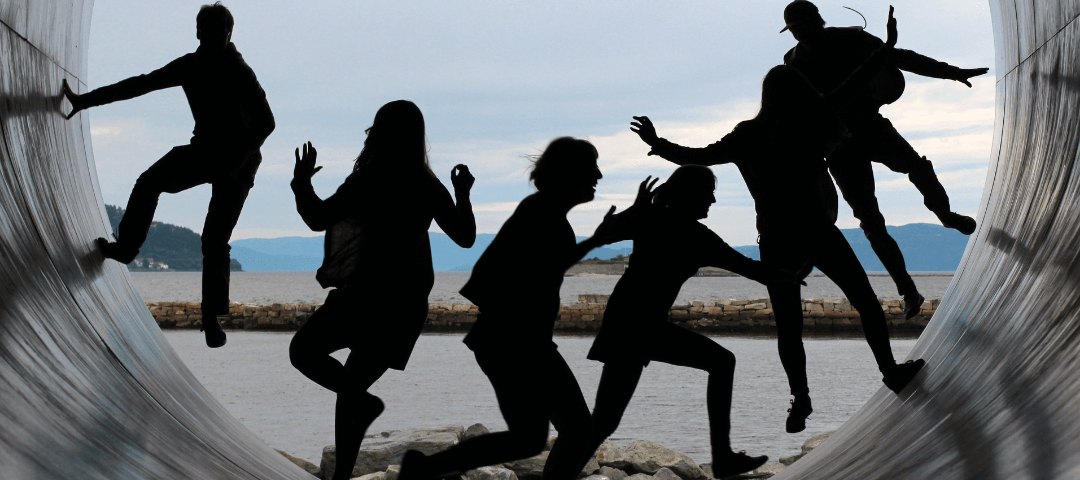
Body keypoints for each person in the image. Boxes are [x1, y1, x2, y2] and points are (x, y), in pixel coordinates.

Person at [632, 7, 924, 434]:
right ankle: (890, 371)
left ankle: (800, 399)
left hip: (775, 239)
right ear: (799, 93)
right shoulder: (810, 124)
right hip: (818, 232)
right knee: (864, 300)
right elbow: (853, 84)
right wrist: (887, 51)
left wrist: (659, 144)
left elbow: (698, 156)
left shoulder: (745, 136)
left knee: (790, 326)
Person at [398, 137, 618, 480]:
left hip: (505, 341)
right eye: (591, 169)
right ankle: (425, 467)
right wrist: (597, 240)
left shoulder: (545, 212)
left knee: (529, 438)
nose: (599, 175)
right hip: (517, 342)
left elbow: (545, 266)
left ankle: (424, 468)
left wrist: (596, 240)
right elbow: (530, 272)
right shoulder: (541, 212)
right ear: (568, 174)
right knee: (575, 429)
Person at [61, 2, 275, 348]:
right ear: (197, 32)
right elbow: (139, 85)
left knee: (214, 239)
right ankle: (126, 248)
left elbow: (267, 123)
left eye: (219, 32)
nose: (211, 37)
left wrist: (237, 158)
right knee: (149, 182)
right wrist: (86, 101)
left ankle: (211, 318)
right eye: (206, 31)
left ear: (229, 34)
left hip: (241, 162)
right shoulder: (190, 66)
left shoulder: (240, 71)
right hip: (204, 151)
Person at [289, 100, 476, 480]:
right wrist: (462, 193)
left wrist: (302, 183)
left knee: (304, 352)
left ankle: (361, 415)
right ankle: (346, 461)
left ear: (379, 133)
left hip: (365, 296)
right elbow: (466, 237)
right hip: (405, 305)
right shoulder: (426, 182)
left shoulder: (368, 178)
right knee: (350, 387)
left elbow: (317, 219)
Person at [581, 169, 810, 478]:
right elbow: (752, 269)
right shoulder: (679, 228)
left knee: (605, 421)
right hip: (638, 326)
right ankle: (723, 458)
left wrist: (790, 276)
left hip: (627, 322)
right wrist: (789, 275)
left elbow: (751, 268)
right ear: (691, 194)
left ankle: (558, 471)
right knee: (721, 362)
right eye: (709, 193)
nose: (713, 200)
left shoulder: (664, 222)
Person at [780, 0, 989, 318]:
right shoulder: (792, 62)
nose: (800, 35)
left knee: (917, 167)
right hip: (838, 148)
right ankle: (908, 291)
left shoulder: (852, 39)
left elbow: (900, 58)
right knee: (871, 222)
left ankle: (946, 216)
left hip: (870, 126)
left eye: (803, 27)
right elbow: (798, 113)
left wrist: (950, 72)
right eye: (795, 31)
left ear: (818, 20)